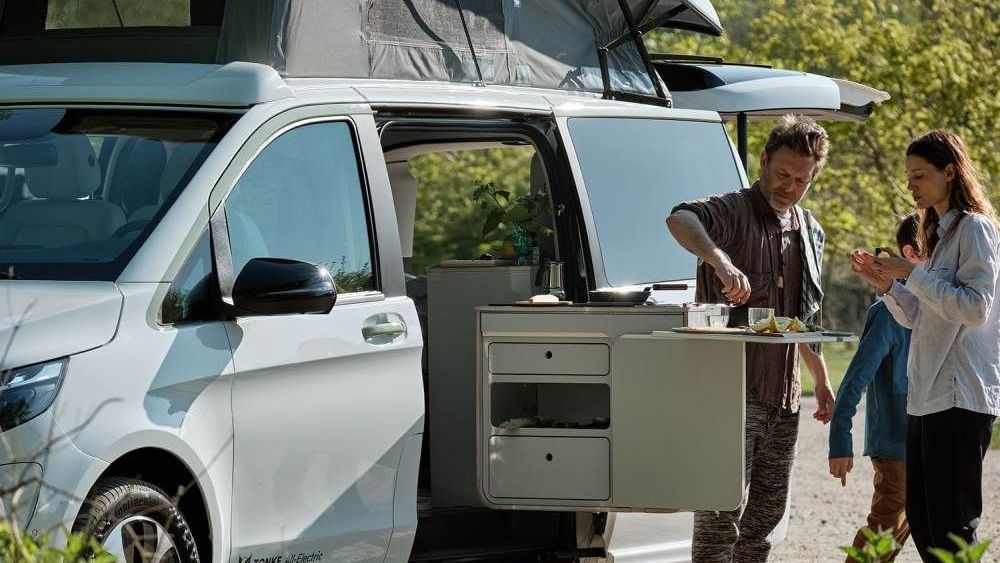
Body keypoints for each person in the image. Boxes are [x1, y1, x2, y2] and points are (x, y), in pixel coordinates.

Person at [666, 114, 834, 562]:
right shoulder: (733, 209)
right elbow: (679, 218)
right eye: (782, 174)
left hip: (785, 397)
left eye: (802, 180)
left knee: (765, 519)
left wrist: (819, 375)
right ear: (763, 161)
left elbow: (803, 314)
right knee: (721, 513)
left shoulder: (809, 229)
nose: (790, 187)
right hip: (730, 393)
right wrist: (720, 261)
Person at [851, 130, 999, 561]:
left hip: (961, 395)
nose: (910, 186)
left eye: (918, 176)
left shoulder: (975, 229)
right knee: (924, 522)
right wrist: (890, 285)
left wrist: (912, 276)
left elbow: (975, 307)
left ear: (949, 172)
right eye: (908, 177)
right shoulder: (935, 236)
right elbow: (922, 317)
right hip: (928, 397)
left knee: (953, 529)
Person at [829, 214, 923, 562]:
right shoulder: (886, 313)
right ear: (912, 254)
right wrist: (840, 440)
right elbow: (855, 380)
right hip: (895, 446)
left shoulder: (937, 310)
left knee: (901, 531)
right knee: (883, 533)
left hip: (925, 440)